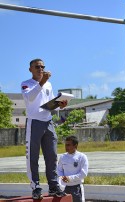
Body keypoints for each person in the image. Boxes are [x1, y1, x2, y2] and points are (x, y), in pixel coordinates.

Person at [21, 58, 68, 199]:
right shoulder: (26, 84)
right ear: (30, 69)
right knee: (33, 157)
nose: (40, 69)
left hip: (48, 122)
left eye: (42, 67)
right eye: (37, 67)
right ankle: (36, 186)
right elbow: (29, 97)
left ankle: (54, 186)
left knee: (52, 156)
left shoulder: (49, 85)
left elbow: (50, 102)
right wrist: (42, 82)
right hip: (34, 122)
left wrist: (60, 104)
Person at [57, 135, 89, 202]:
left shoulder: (82, 157)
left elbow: (83, 174)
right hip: (65, 187)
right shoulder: (62, 157)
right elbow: (59, 170)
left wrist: (69, 179)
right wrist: (62, 178)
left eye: (68, 145)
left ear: (75, 145)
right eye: (65, 145)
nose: (66, 147)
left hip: (76, 188)